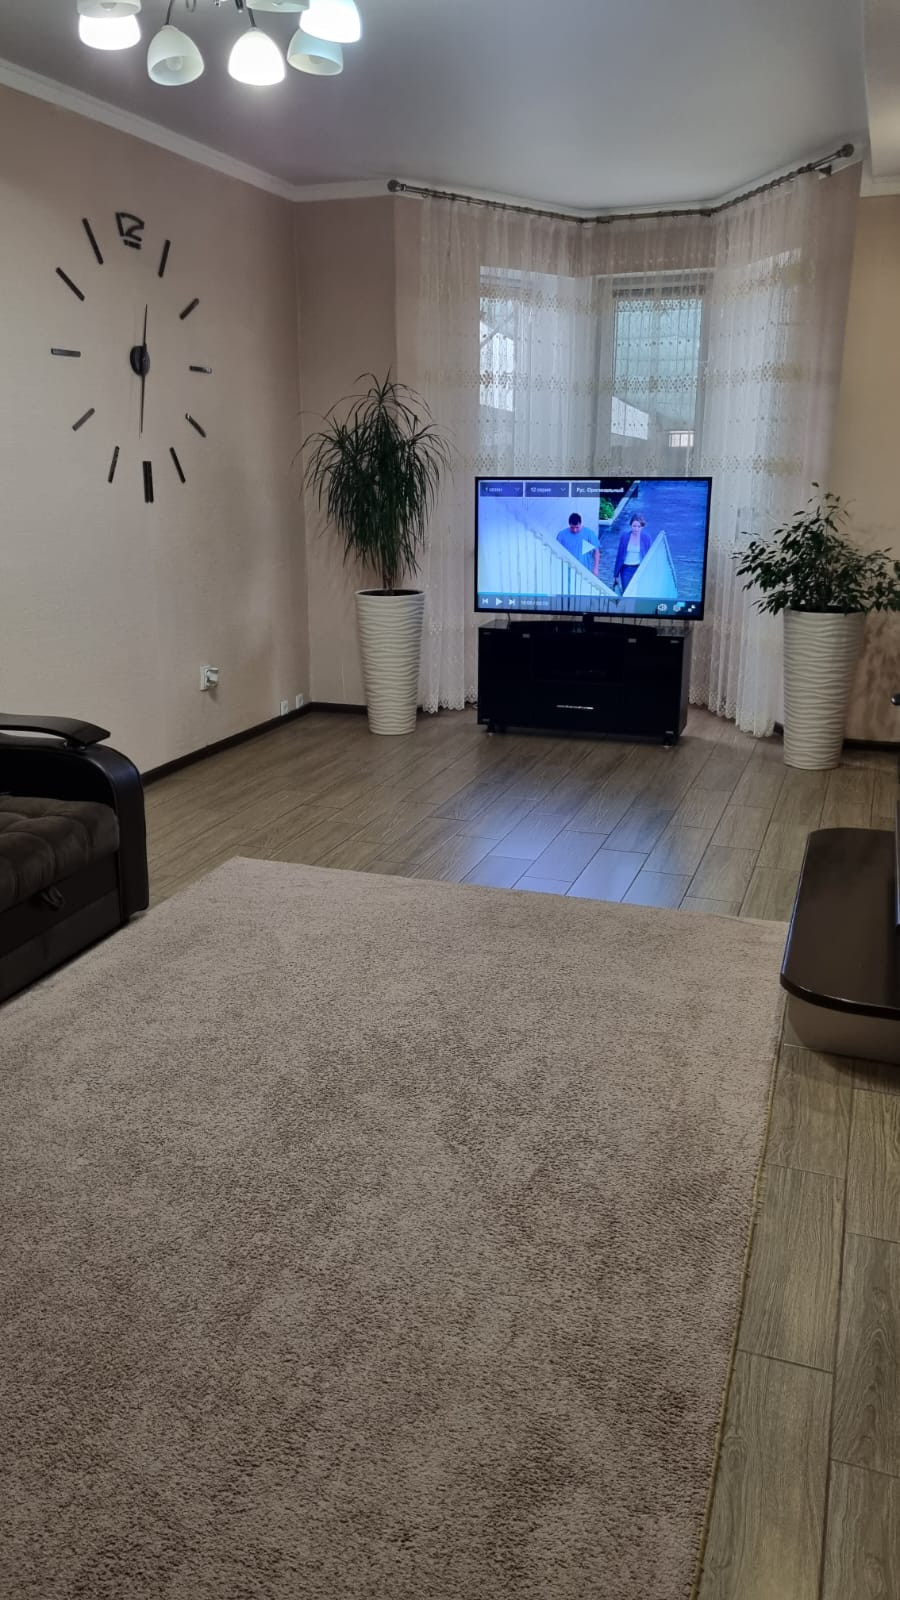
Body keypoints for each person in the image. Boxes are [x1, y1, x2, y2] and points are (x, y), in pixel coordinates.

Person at [613, 512, 652, 593]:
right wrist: (616, 574)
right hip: (626, 569)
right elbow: (619, 556)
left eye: (638, 526)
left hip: (639, 569)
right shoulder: (624, 537)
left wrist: (649, 572)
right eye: (634, 526)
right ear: (631, 526)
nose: (636, 529)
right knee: (627, 591)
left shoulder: (646, 538)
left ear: (642, 527)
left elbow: (649, 556)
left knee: (638, 591)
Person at [557, 512, 603, 577]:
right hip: (567, 570)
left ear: (581, 524)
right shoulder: (561, 535)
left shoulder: (589, 534)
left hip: (585, 570)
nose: (575, 530)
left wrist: (596, 568)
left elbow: (596, 551)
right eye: (572, 527)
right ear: (569, 524)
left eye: (577, 527)